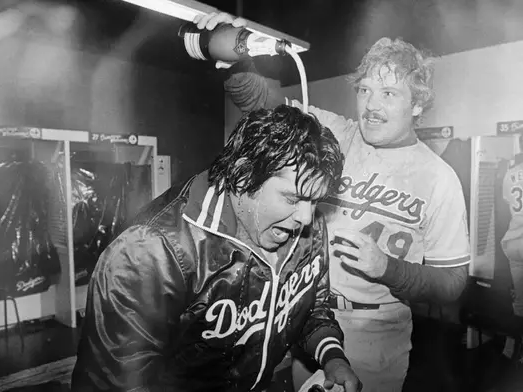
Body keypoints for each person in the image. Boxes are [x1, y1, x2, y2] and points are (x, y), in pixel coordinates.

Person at [193, 12, 471, 392]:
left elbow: (452, 282)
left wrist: (388, 268)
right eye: (365, 90)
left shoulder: (440, 178)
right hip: (305, 318)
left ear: (417, 104)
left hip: (376, 335)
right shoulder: (334, 133)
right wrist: (237, 56)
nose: (371, 104)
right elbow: (262, 103)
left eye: (388, 93)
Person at [70, 105, 361, 392]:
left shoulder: (305, 224)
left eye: (315, 201)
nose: (307, 217)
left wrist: (333, 358)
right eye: (292, 198)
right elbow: (118, 382)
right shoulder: (149, 251)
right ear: (244, 176)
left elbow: (310, 307)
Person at [500, 133, 523, 362]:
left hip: (514, 241)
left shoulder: (510, 172)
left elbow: (508, 204)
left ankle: (510, 348)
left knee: (519, 301)